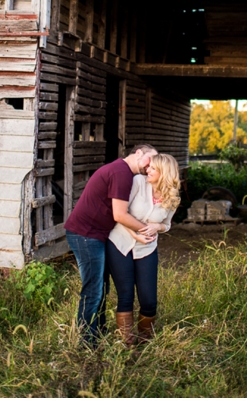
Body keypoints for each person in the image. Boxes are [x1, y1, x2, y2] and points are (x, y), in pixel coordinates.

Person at [63, 144, 159, 345]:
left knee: (102, 287)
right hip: (86, 234)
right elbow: (120, 215)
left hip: (97, 234)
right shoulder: (121, 173)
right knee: (94, 288)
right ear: (138, 153)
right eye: (151, 158)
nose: (152, 164)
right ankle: (87, 341)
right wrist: (145, 229)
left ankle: (98, 330)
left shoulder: (124, 173)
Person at [107, 153, 181, 346]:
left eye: (153, 168)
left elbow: (167, 225)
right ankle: (128, 343)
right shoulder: (138, 182)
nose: (147, 170)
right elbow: (121, 214)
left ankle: (144, 341)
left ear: (164, 172)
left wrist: (158, 227)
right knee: (126, 296)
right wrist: (135, 233)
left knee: (149, 301)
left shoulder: (173, 197)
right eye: (148, 167)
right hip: (121, 243)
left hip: (146, 249)